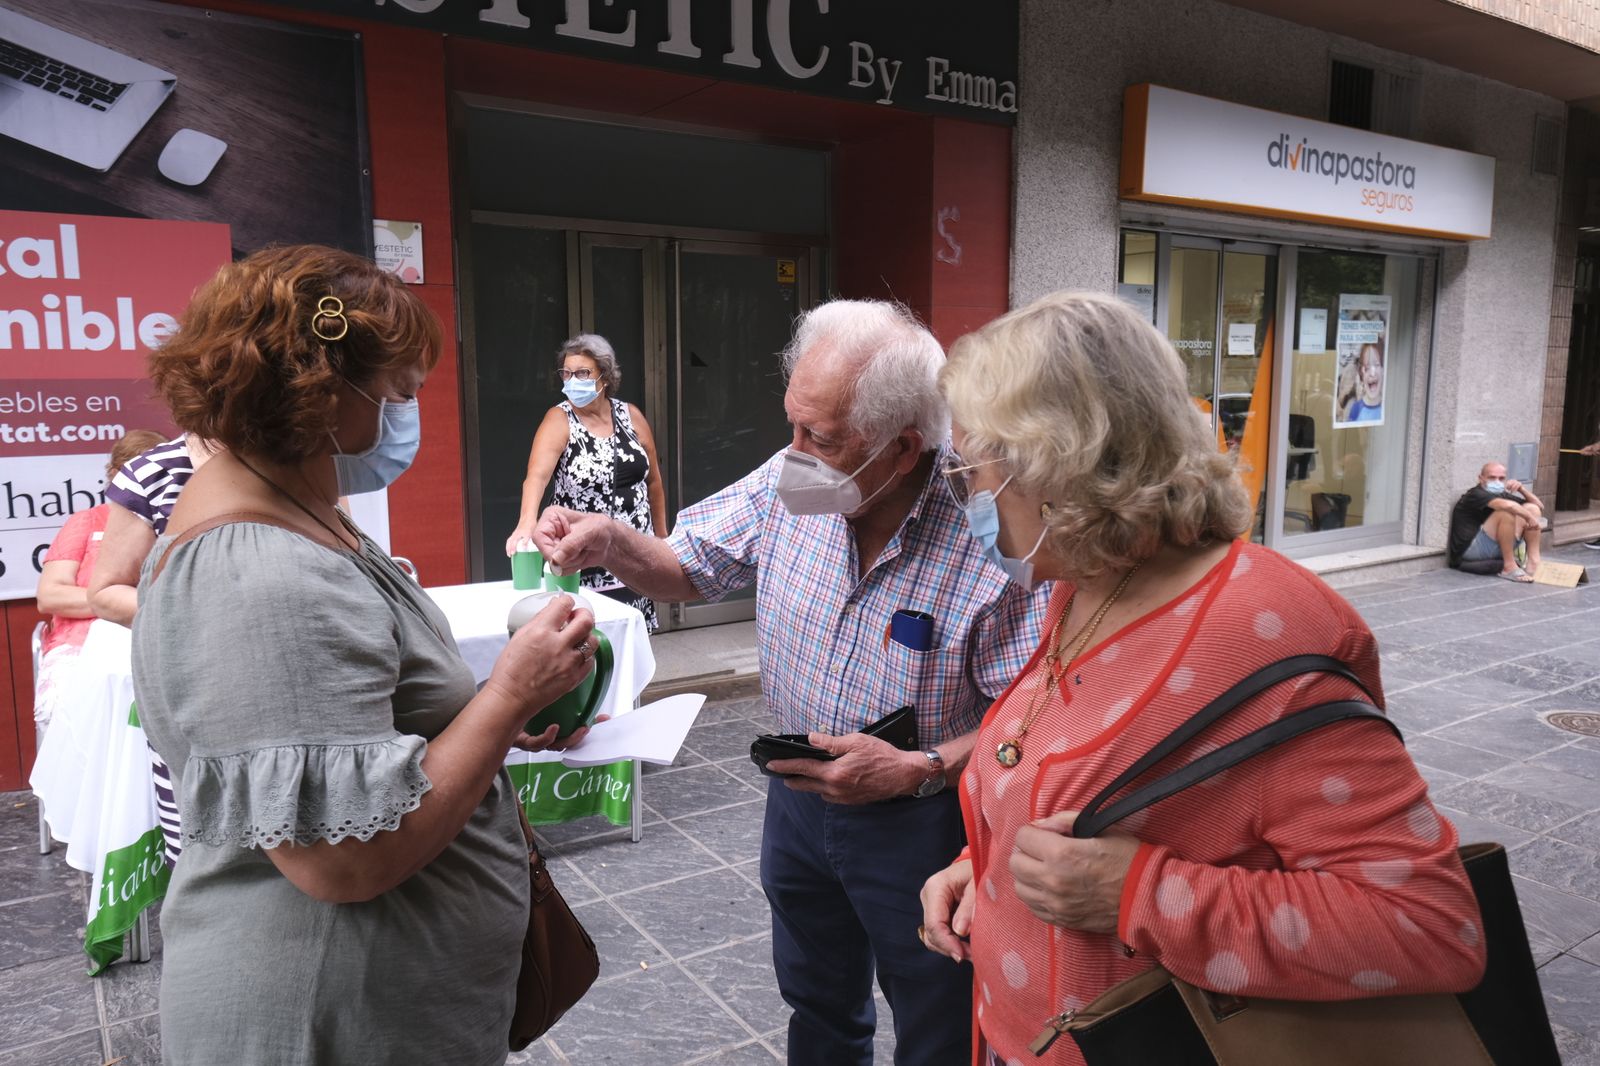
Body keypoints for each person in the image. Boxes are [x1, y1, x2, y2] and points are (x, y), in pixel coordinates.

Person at [917, 292, 1486, 1066]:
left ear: (1053, 466)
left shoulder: (1269, 636)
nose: (970, 500)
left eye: (972, 470)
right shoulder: (1086, 579)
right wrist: (978, 869)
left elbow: (1425, 926)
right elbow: (1071, 776)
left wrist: (1136, 896)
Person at [533, 299, 1051, 1066]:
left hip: (926, 821)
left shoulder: (987, 526)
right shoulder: (790, 479)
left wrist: (923, 768)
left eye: (822, 437)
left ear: (904, 448)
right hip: (798, 801)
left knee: (938, 1015)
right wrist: (610, 538)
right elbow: (688, 566)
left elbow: (1033, 715)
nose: (793, 451)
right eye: (793, 424)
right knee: (816, 1000)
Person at [130, 245, 601, 1065]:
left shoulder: (304, 512)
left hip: (391, 1001)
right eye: (396, 384)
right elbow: (341, 861)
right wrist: (507, 699)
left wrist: (478, 717)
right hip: (327, 1016)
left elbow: (358, 726)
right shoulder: (263, 574)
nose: (407, 403)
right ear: (319, 385)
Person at [505, 333, 667, 628]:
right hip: (583, 559)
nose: (572, 381)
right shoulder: (559, 419)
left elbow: (653, 481)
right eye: (566, 373)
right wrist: (526, 521)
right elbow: (536, 478)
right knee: (589, 647)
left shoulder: (630, 415)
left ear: (604, 377)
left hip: (634, 556)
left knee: (631, 644)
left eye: (582, 373)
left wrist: (663, 538)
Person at [32, 429, 165, 726]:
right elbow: (51, 595)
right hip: (80, 646)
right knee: (70, 710)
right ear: (116, 474)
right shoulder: (87, 521)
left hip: (152, 643)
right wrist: (113, 600)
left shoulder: (174, 525)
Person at [87, 432, 218, 626]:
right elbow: (106, 592)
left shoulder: (278, 462)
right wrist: (203, 617)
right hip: (194, 640)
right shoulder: (151, 472)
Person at [1447, 462, 1544, 581]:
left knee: (1532, 508)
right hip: (1471, 550)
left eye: (1501, 478)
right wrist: (1529, 518)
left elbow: (1539, 506)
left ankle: (1533, 562)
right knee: (1505, 513)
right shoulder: (1475, 494)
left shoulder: (1501, 493)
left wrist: (1521, 489)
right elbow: (1507, 506)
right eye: (1492, 477)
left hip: (1496, 546)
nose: (1497, 481)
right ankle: (1509, 567)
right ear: (1481, 478)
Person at [1342, 341, 1384, 423]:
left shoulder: (1385, 406)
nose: (1372, 373)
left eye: (1377, 365)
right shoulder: (1354, 407)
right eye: (1367, 367)